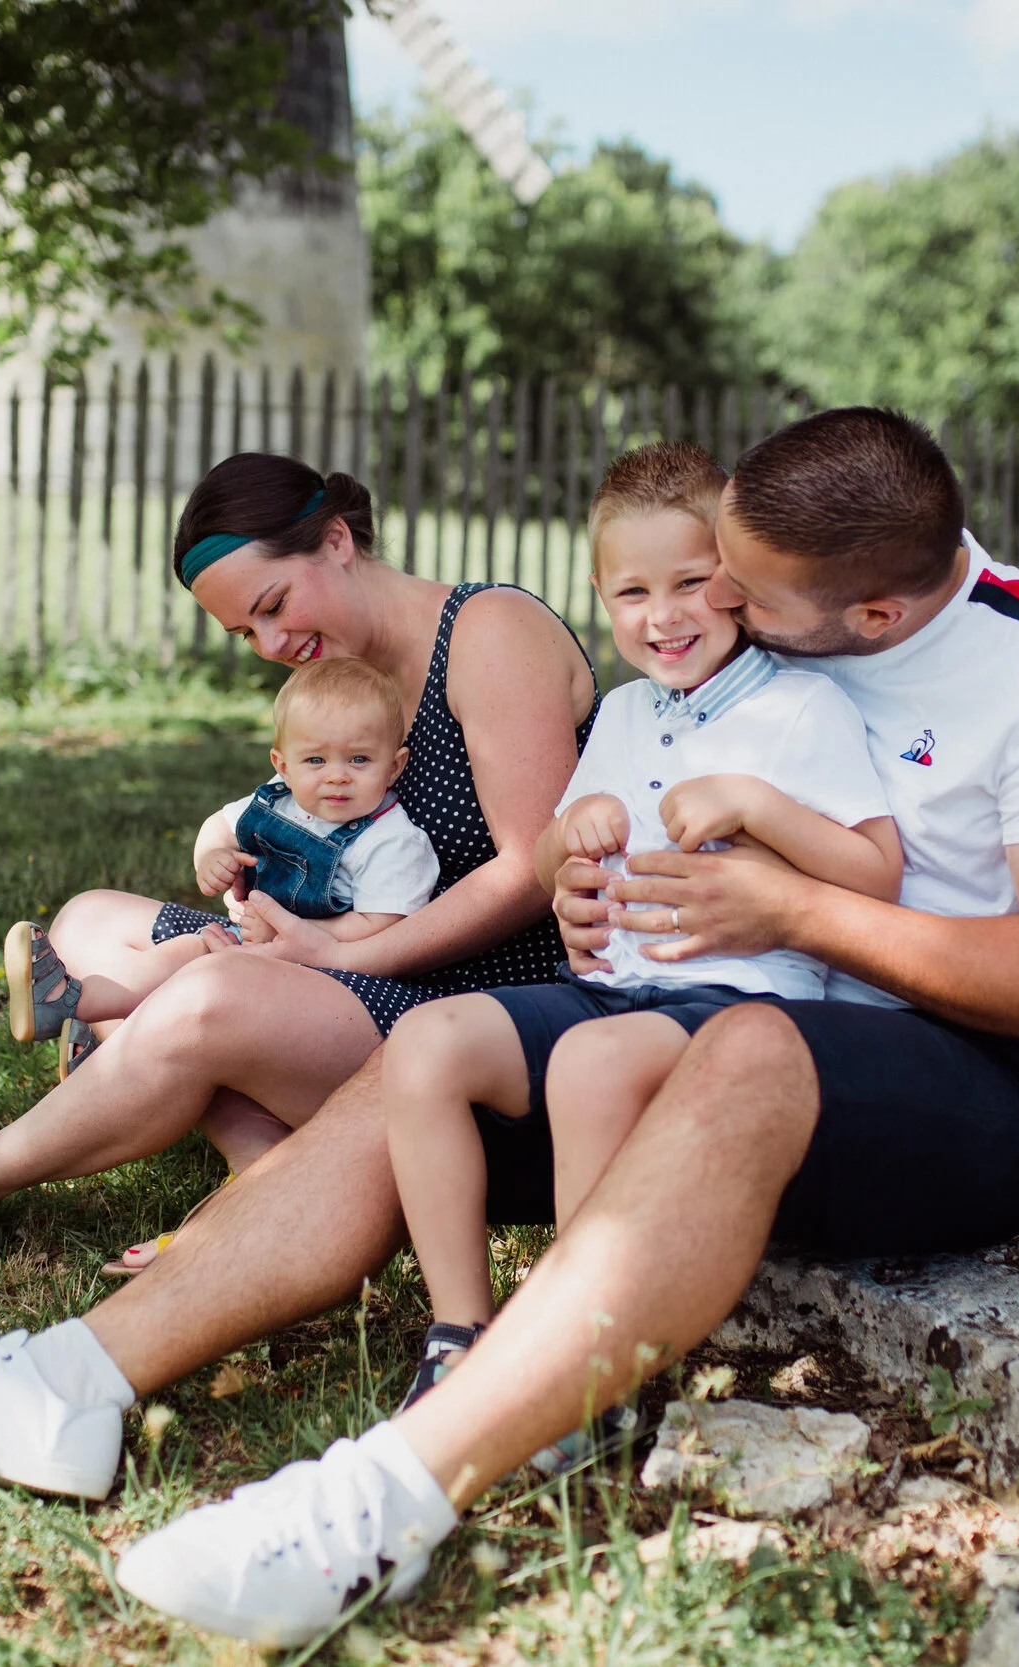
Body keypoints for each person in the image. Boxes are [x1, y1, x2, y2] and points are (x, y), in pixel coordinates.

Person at [0, 409, 1019, 1654]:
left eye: (745, 593)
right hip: (682, 1005)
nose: (710, 606)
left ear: (868, 617)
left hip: (971, 1080)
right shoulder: (739, 634)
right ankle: (70, 1379)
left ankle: (389, 1493)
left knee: (743, 1050)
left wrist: (790, 903)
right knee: (432, 1049)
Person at [0, 452, 595, 1279]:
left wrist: (337, 955)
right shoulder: (343, 678)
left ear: (337, 540)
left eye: (273, 605)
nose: (271, 643)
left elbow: (531, 870)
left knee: (204, 996)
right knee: (88, 926)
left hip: (482, 1006)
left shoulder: (489, 631)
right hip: (339, 964)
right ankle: (264, 1188)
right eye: (246, 632)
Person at [380, 443, 899, 1438]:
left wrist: (760, 805)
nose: (664, 615)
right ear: (599, 595)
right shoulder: (621, 711)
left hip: (739, 999)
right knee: (425, 1044)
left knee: (587, 1063)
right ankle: (461, 1332)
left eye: (693, 582)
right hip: (613, 984)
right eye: (632, 590)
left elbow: (873, 869)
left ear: (737, 581)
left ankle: (585, 1370)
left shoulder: (801, 709)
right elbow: (543, 860)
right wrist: (565, 847)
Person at [4, 657, 441, 1075]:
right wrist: (212, 857)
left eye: (359, 759)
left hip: (328, 975)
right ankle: (75, 1006)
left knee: (204, 970)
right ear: (283, 766)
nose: (336, 776)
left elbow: (382, 925)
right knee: (193, 949)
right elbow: (219, 825)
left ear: (394, 766)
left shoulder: (393, 842)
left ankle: (104, 1047)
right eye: (315, 760)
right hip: (255, 945)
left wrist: (296, 934)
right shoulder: (279, 799)